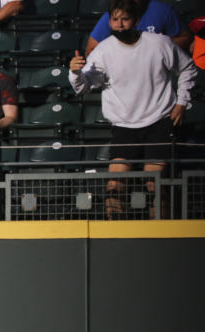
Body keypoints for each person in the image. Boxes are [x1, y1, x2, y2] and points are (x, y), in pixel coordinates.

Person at [69, 0, 195, 216]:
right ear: (109, 22)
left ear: (136, 21)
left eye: (125, 19)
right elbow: (84, 87)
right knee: (114, 187)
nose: (119, 25)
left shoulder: (160, 43)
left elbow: (187, 68)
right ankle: (114, 238)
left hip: (159, 123)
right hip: (123, 127)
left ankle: (161, 237)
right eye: (115, 20)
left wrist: (182, 101)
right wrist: (75, 72)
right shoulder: (104, 50)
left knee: (155, 185)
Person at [84, 0, 191, 55]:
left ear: (136, 22)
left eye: (125, 19)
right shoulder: (115, 15)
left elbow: (188, 40)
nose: (120, 23)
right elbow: (90, 50)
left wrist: (159, 45)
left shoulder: (162, 11)